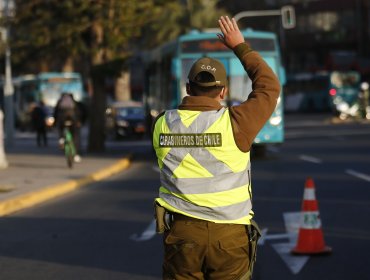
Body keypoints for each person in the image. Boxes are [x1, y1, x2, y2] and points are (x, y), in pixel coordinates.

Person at [152, 16, 280, 280]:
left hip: (182, 236)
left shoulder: (162, 124)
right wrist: (240, 47)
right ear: (222, 91)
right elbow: (269, 86)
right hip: (230, 237)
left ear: (188, 88)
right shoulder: (236, 123)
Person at [54, 93, 83, 162]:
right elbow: (79, 113)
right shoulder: (74, 103)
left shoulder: (60, 102)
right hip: (73, 120)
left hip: (62, 120)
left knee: (61, 129)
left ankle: (61, 139)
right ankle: (76, 155)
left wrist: (55, 123)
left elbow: (55, 113)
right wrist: (79, 121)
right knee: (76, 136)